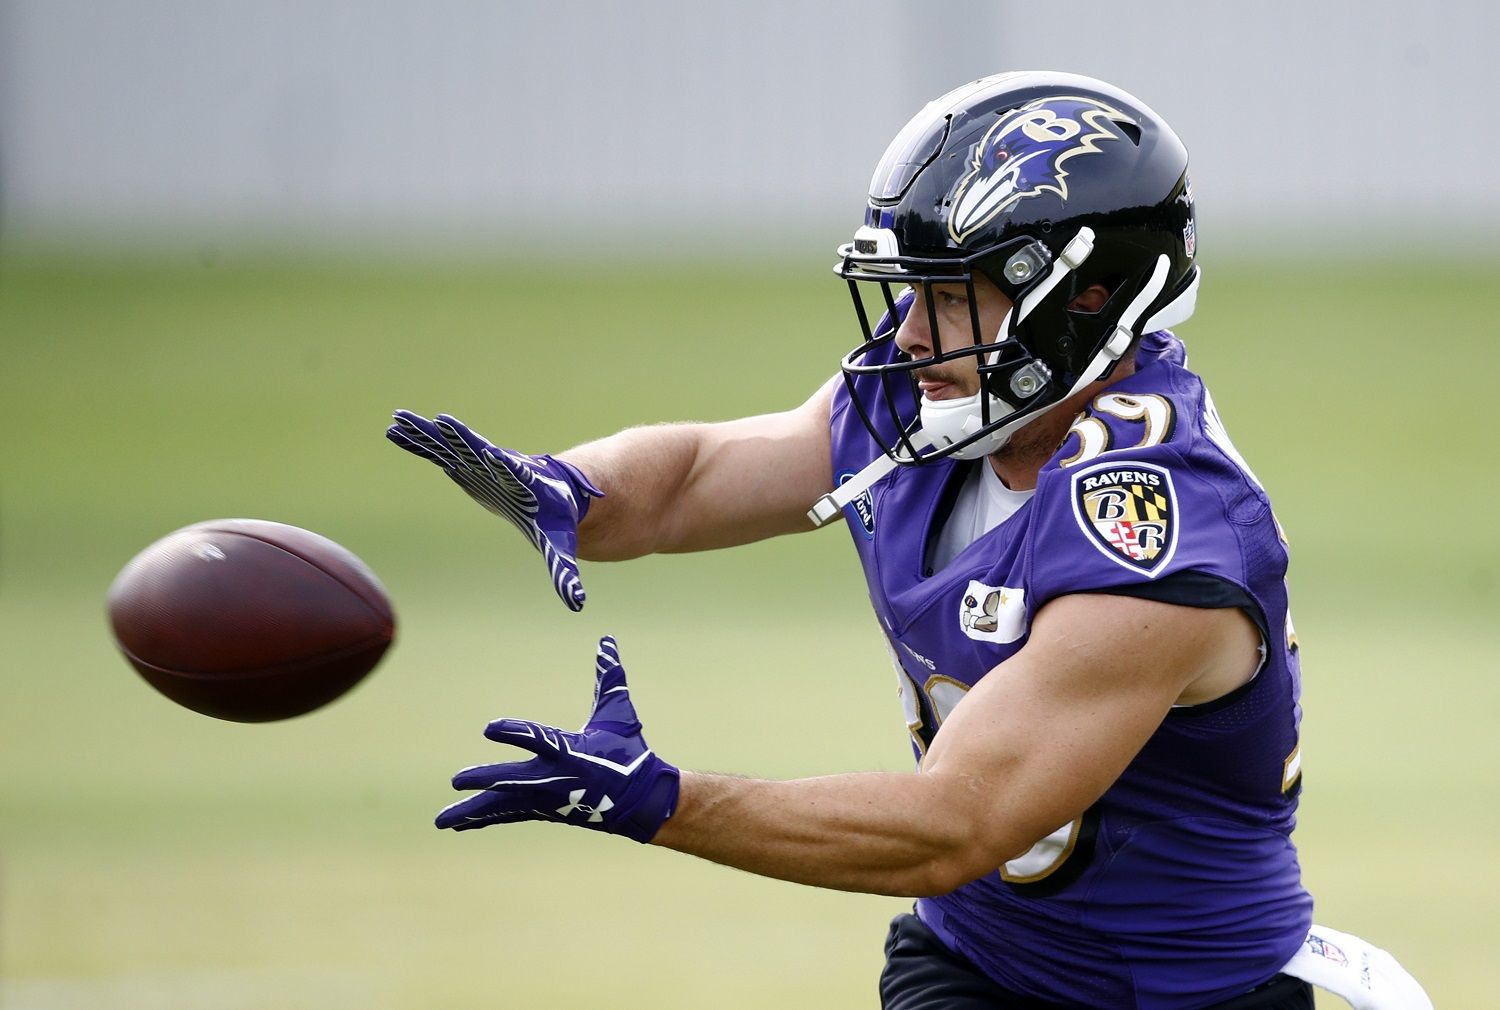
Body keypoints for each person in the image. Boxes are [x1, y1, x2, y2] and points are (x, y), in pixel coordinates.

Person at [388, 71, 1429, 1010]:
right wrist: (566, 487)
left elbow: (952, 826)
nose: (912, 335)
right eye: (912, 291)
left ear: (1085, 296)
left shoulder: (1155, 527)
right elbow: (700, 473)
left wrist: (666, 799)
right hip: (973, 960)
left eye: (950, 294)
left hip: (1180, 996)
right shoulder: (948, 402)